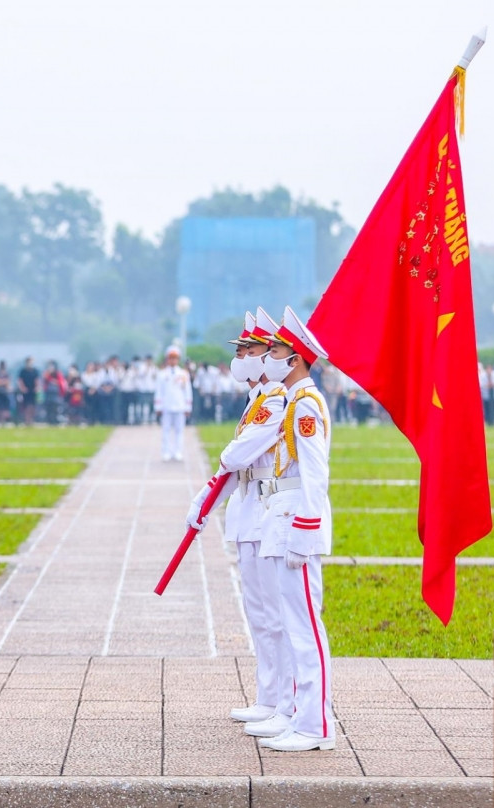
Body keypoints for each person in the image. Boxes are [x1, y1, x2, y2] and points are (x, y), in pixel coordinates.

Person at [189, 308, 293, 735]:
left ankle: (287, 703)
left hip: (269, 509)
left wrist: (227, 462)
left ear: (267, 354)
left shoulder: (277, 400)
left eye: (249, 350)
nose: (243, 357)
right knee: (257, 612)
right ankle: (268, 697)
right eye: (243, 350)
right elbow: (235, 466)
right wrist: (204, 503)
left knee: (276, 612)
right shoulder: (255, 400)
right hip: (248, 506)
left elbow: (238, 454)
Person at [255, 306, 335, 752]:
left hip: (297, 519)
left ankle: (316, 724)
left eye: (278, 349)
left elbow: (315, 473)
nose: (270, 355)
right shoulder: (294, 401)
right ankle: (303, 716)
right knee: (293, 623)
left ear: (297, 358)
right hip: (284, 513)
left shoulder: (305, 403)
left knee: (305, 626)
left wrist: (306, 527)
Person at [154, 346, 192, 461]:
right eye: (171, 358)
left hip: (180, 406)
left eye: (175, 358)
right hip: (166, 406)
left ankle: (178, 451)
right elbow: (159, 391)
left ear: (178, 359)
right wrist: (158, 406)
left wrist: (188, 407)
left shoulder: (183, 374)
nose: (173, 360)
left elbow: (187, 391)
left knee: (179, 431)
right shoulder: (161, 374)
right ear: (167, 359)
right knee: (166, 430)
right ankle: (166, 452)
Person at [17, 357, 39, 426]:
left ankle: (31, 420)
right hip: (25, 391)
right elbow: (20, 380)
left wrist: (37, 388)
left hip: (33, 391)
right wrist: (23, 388)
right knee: (26, 406)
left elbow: (37, 380)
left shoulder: (35, 371)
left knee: (32, 406)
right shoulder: (23, 371)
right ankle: (27, 420)